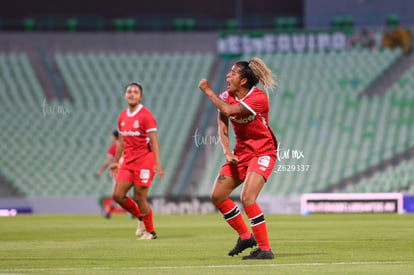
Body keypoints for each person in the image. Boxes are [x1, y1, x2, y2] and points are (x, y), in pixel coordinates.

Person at [198, 57, 278, 260]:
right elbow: (222, 124)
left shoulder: (258, 98)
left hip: (263, 151)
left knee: (247, 198)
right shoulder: (227, 95)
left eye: (232, 73)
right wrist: (226, 151)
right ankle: (245, 237)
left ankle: (265, 249)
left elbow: (229, 110)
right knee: (217, 196)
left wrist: (208, 91)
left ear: (243, 80)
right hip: (241, 153)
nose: (228, 75)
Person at [110, 82, 164, 240]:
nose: (132, 94)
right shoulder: (122, 116)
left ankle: (151, 231)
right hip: (127, 161)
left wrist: (157, 163)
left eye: (135, 92)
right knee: (117, 195)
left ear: (140, 96)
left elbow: (154, 141)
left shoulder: (145, 115)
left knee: (139, 197)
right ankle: (140, 218)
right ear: (125, 95)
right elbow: (121, 142)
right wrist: (115, 162)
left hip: (144, 161)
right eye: (129, 91)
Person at [96, 130, 120, 219]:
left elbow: (108, 161)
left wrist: (100, 170)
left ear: (114, 137)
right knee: (120, 193)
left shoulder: (113, 147)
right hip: (126, 171)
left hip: (118, 171)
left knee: (117, 194)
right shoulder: (125, 145)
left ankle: (108, 211)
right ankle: (108, 212)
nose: (111, 138)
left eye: (111, 136)